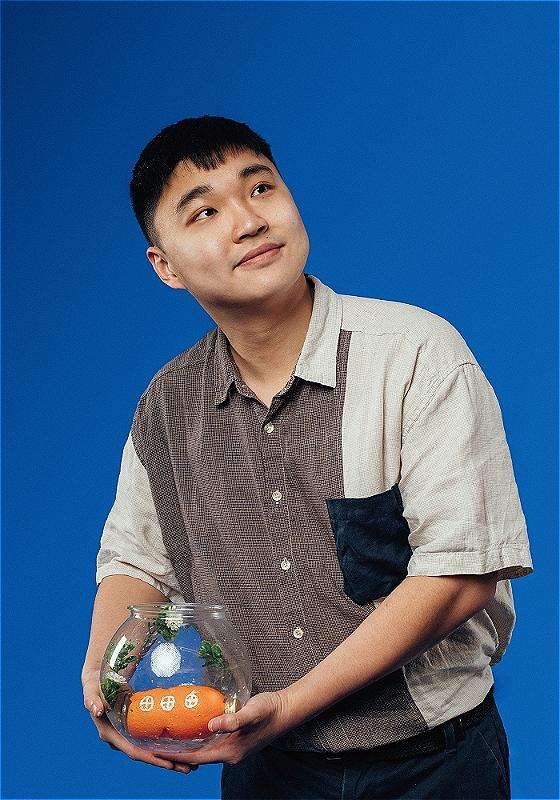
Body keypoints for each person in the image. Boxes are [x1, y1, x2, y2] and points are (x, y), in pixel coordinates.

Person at [81, 115, 533, 799]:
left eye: (260, 189)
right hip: (270, 772)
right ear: (165, 265)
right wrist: (105, 676)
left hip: (434, 765)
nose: (248, 220)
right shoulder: (167, 405)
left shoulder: (415, 356)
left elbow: (461, 573)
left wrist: (290, 704)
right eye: (205, 211)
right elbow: (138, 561)